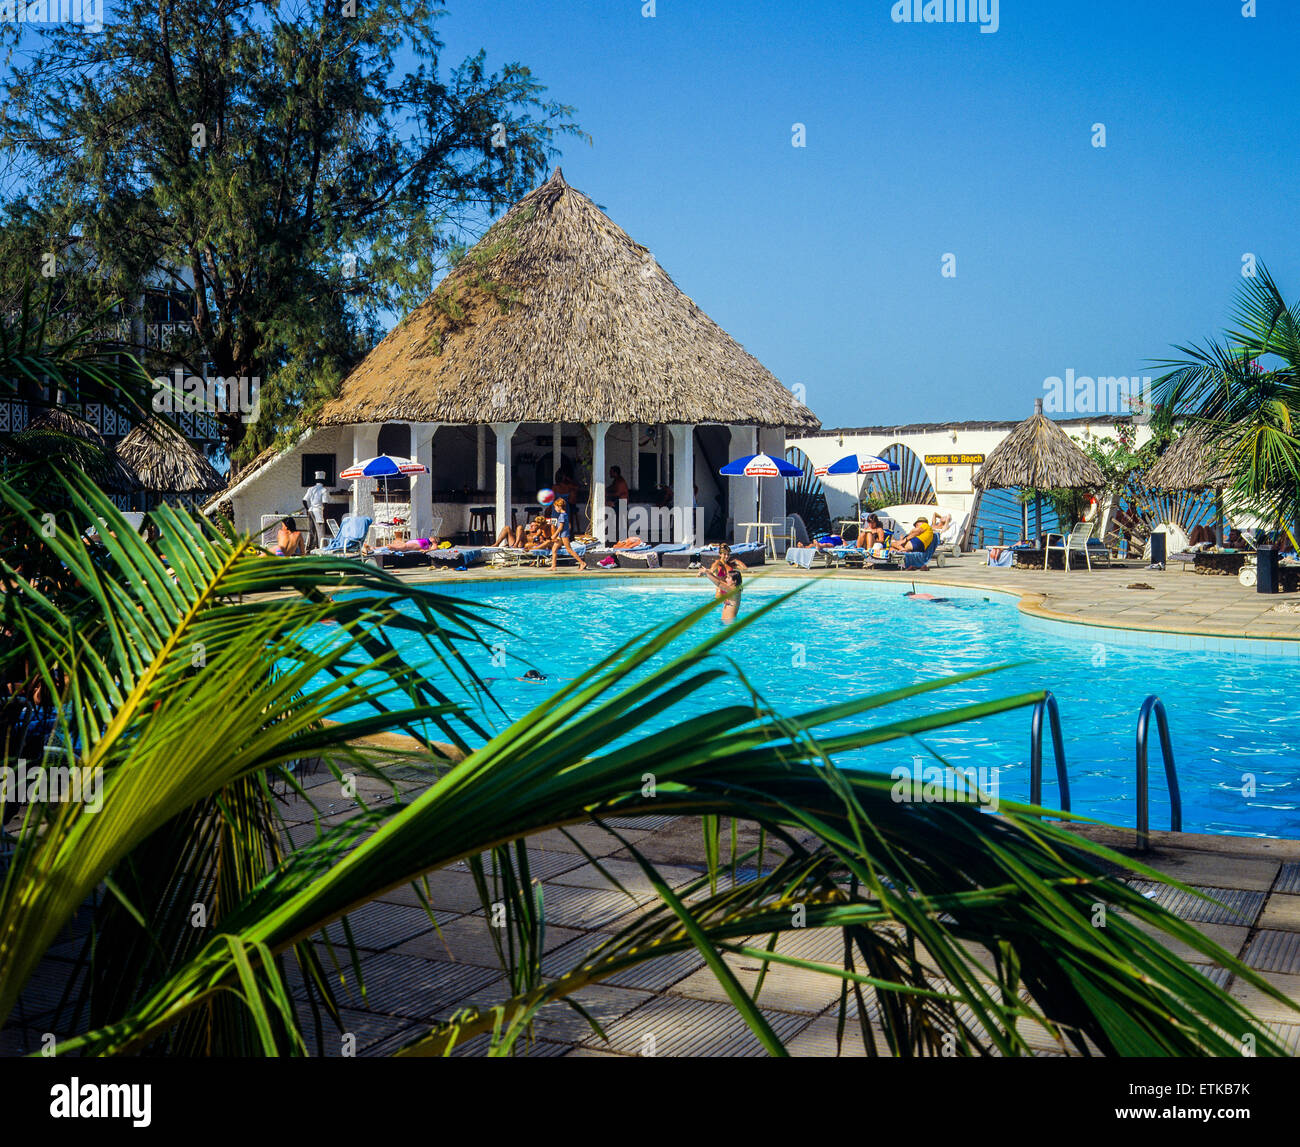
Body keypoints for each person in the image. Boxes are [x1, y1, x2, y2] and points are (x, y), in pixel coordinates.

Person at [698, 542, 743, 623]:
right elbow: (718, 579)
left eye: (728, 578)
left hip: (729, 624)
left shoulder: (733, 590)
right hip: (727, 623)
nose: (726, 579)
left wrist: (707, 573)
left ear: (734, 581)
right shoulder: (733, 590)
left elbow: (719, 583)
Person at [545, 497, 589, 571]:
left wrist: (554, 535)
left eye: (555, 507)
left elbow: (560, 527)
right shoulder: (564, 514)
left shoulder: (562, 515)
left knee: (569, 549)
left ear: (559, 507)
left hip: (563, 535)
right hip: (561, 535)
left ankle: (582, 563)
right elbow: (568, 525)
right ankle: (553, 566)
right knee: (554, 549)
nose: (555, 509)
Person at [303, 471, 329, 549]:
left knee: (312, 530)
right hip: (318, 511)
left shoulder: (311, 489)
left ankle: (310, 547)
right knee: (320, 530)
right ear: (323, 480)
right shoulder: (324, 490)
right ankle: (322, 548)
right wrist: (323, 509)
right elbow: (325, 503)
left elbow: (304, 500)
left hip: (311, 510)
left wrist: (307, 509)